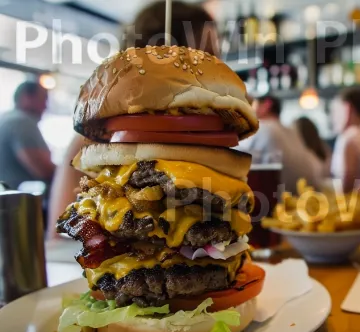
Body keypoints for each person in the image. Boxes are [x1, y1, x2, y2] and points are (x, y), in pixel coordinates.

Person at [47, 1, 219, 237]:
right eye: (208, 53)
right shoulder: (92, 140)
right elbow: (59, 236)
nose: (219, 64)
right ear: (163, 52)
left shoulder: (215, 139)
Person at [236, 96, 321, 192]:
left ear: (267, 105)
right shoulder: (292, 132)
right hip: (306, 196)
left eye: (253, 105)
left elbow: (231, 154)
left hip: (278, 200)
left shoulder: (262, 128)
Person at [0, 81, 55, 190]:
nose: (45, 106)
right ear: (26, 97)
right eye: (44, 99)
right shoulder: (22, 122)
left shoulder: (5, 118)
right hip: (19, 202)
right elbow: (43, 170)